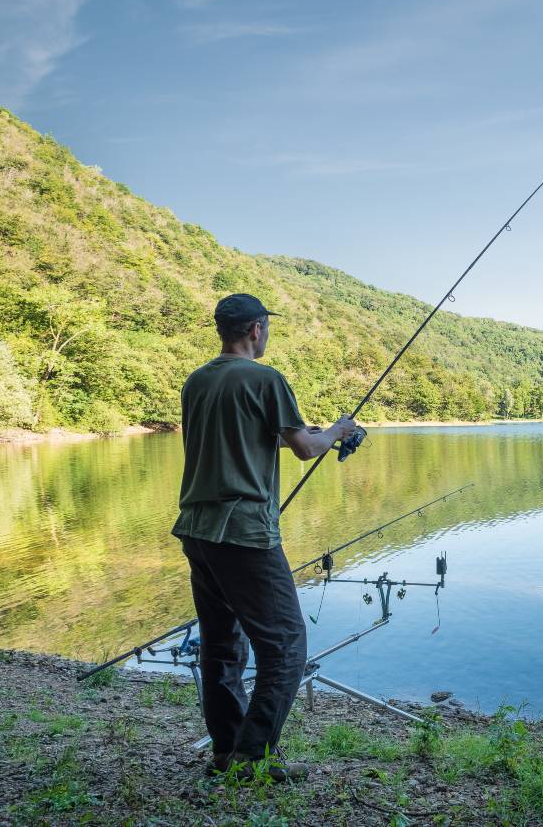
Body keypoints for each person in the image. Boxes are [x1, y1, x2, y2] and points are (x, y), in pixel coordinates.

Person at [171, 293, 358, 781]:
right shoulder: (265, 378)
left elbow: (238, 436)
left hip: (197, 528)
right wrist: (337, 430)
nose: (266, 334)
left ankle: (226, 751)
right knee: (287, 645)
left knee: (221, 645)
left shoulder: (197, 381)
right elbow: (306, 450)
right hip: (244, 532)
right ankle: (252, 758)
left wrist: (297, 431)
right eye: (266, 327)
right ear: (256, 329)